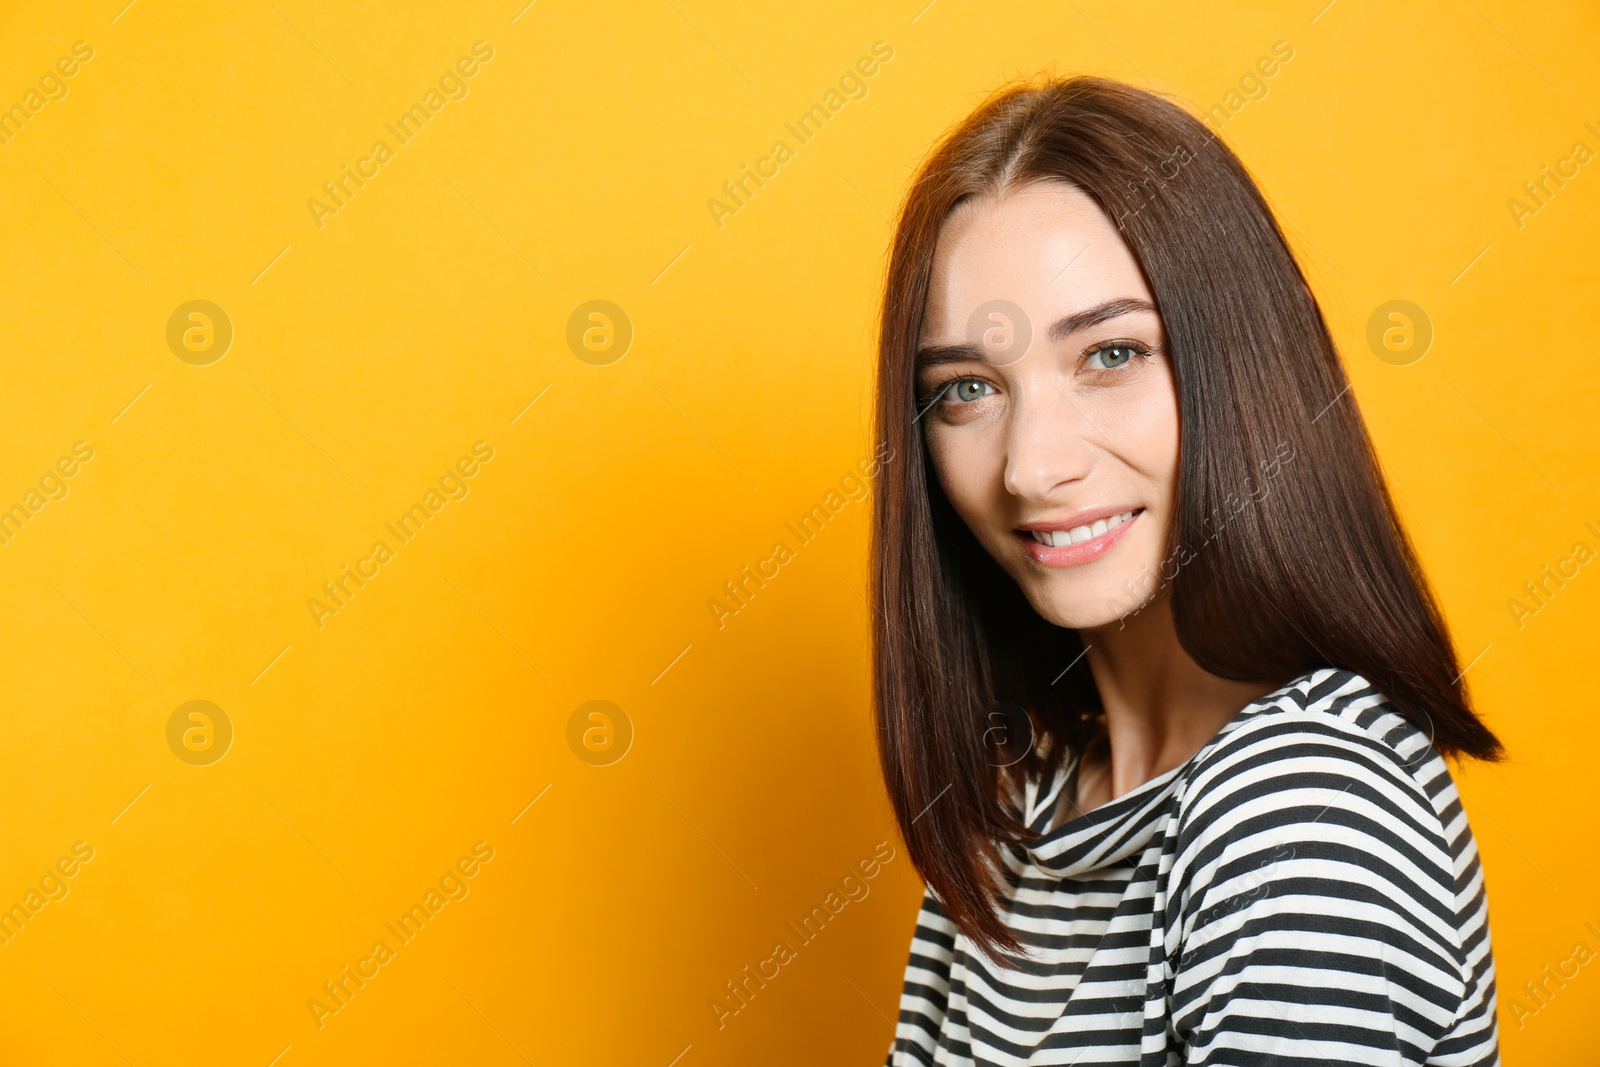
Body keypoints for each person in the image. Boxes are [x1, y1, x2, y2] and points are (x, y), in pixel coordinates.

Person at [870, 75, 1501, 1065]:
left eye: (1111, 352)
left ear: (1241, 365)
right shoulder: (1017, 808)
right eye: (966, 389)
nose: (1032, 465)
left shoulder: (1300, 806)